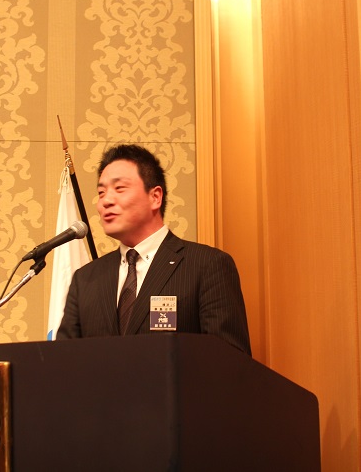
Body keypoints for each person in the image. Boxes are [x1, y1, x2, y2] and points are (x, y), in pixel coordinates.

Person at [56, 144, 251, 355]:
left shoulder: (207, 266)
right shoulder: (85, 280)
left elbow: (229, 361)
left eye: (119, 188)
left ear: (155, 197)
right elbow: (63, 362)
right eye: (101, 192)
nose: (106, 201)